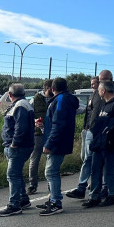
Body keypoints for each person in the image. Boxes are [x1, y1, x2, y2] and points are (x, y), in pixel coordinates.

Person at [82, 80, 114, 208]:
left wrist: (108, 133)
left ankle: (113, 195)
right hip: (99, 142)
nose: (98, 92)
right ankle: (94, 196)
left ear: (103, 90)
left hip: (110, 143)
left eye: (99, 90)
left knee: (110, 169)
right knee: (95, 169)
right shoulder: (104, 104)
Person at [40, 78, 79, 216]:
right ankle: (52, 199)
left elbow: (59, 123)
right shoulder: (62, 99)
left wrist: (49, 143)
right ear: (67, 86)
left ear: (51, 89)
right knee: (51, 172)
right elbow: (55, 123)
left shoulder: (61, 100)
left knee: (50, 172)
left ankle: (56, 202)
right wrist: (44, 126)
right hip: (58, 140)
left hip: (57, 143)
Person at [0, 83, 35, 217]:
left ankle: (14, 205)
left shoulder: (20, 106)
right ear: (24, 93)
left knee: (12, 175)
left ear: (10, 95)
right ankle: (23, 199)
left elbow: (21, 126)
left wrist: (14, 143)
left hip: (18, 146)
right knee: (17, 174)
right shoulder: (22, 104)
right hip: (20, 145)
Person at [26, 79, 53, 194]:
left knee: (50, 160)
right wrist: (35, 121)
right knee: (34, 160)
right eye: (52, 88)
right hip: (37, 134)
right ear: (47, 88)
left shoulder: (55, 98)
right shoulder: (34, 99)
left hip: (51, 134)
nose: (54, 90)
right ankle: (32, 185)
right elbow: (28, 115)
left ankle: (51, 184)